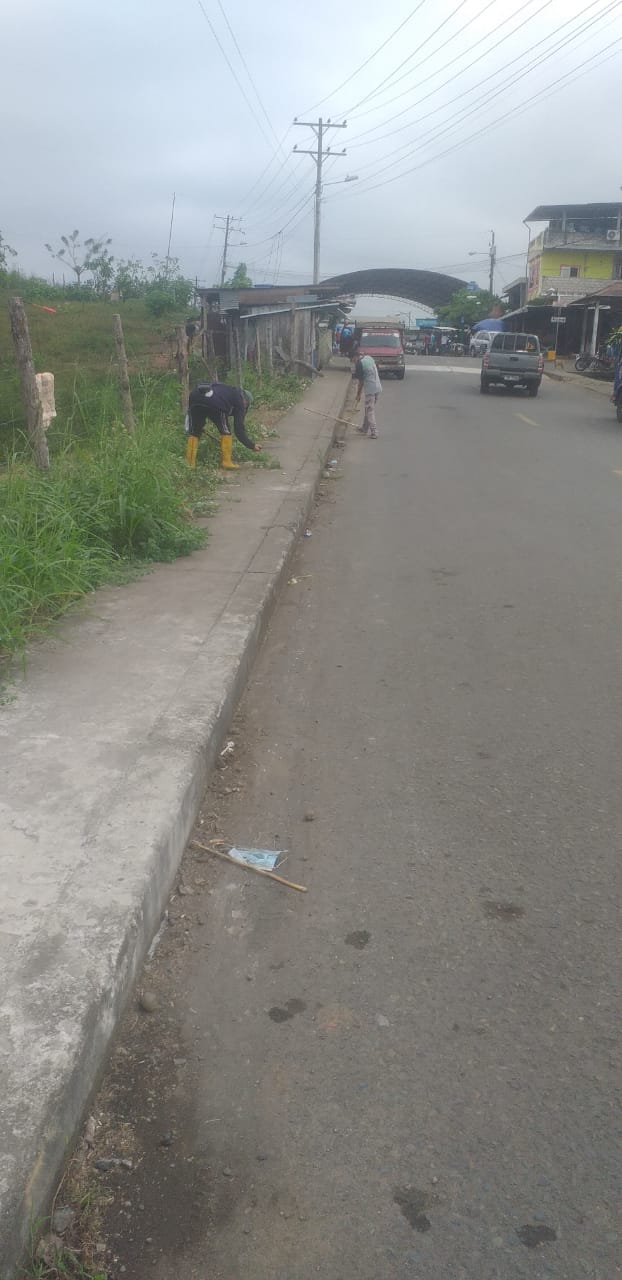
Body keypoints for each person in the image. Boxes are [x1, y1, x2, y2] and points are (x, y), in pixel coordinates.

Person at [185, 382, 261, 469]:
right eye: (246, 406)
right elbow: (239, 430)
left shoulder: (226, 390)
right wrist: (251, 445)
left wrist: (198, 425)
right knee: (226, 431)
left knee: (194, 433)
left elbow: (202, 405)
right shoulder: (239, 399)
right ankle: (226, 462)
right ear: (245, 401)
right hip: (216, 403)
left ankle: (189, 464)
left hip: (195, 396)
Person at [352, 353, 382, 439]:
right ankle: (364, 428)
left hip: (370, 389)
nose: (353, 362)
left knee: (369, 411)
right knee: (368, 409)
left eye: (352, 359)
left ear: (355, 356)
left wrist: (358, 395)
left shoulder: (359, 364)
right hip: (377, 386)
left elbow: (361, 382)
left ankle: (374, 432)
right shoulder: (368, 358)